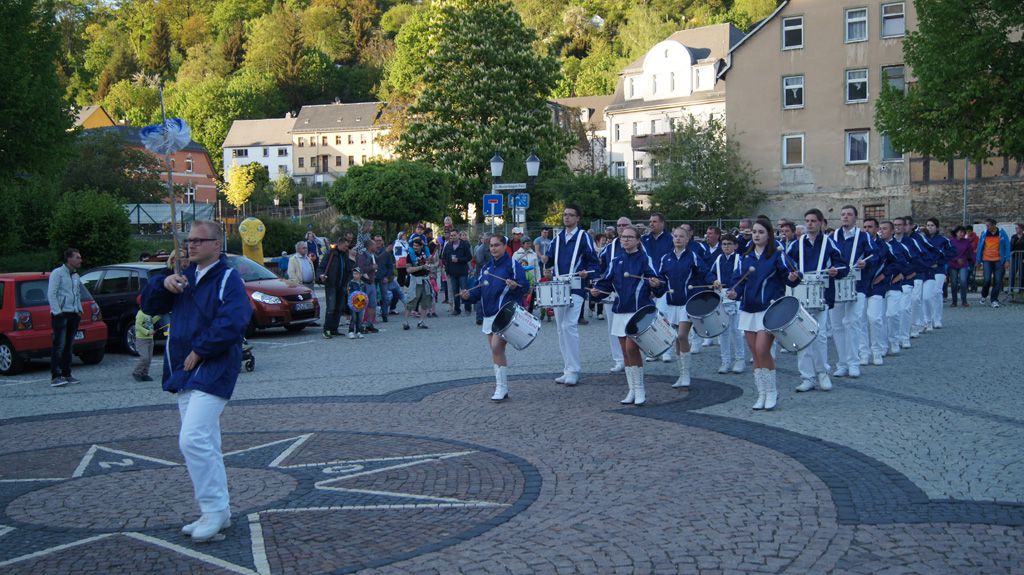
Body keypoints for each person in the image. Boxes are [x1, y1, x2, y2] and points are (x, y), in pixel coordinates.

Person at [141, 220, 252, 543]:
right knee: (206, 442)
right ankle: (219, 510)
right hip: (183, 369)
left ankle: (213, 509)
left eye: (199, 241)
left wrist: (201, 351)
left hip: (214, 368)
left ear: (217, 244)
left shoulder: (228, 278)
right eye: (188, 240)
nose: (191, 245)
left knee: (192, 439)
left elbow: (234, 321)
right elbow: (149, 307)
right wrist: (163, 283)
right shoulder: (184, 277)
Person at [723, 219, 799, 410]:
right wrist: (733, 292)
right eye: (755, 232)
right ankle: (761, 393)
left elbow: (791, 276)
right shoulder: (744, 257)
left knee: (763, 350)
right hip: (748, 309)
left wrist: (792, 278)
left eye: (761, 232)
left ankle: (772, 391)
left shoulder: (776, 255)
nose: (756, 235)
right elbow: (737, 282)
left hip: (769, 309)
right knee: (756, 354)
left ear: (769, 235)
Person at [591, 225, 664, 405]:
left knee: (632, 348)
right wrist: (596, 291)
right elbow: (606, 283)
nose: (626, 240)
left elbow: (657, 281)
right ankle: (631, 390)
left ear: (638, 240)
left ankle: (640, 389)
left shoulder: (645, 259)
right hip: (621, 310)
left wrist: (656, 284)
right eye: (623, 237)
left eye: (630, 237)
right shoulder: (616, 260)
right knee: (625, 353)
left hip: (638, 310)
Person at [461, 235, 528, 401]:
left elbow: (524, 286)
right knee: (495, 350)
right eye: (491, 245)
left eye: (497, 245)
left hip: (505, 313)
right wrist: (468, 295)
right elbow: (479, 290)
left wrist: (515, 285)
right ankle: (502, 387)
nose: (493, 248)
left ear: (505, 246)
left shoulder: (513, 264)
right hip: (488, 314)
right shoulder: (486, 268)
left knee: (497, 347)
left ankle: (501, 387)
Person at [788, 209, 847, 393]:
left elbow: (842, 265)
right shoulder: (797, 244)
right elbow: (787, 263)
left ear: (821, 223)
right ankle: (807, 377)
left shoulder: (830, 243)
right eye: (807, 221)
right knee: (803, 337)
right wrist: (792, 274)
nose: (810, 224)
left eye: (813, 221)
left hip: (822, 294)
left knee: (820, 336)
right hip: (802, 295)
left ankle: (822, 373)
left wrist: (836, 271)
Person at [543, 203, 599, 386]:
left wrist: (587, 273)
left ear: (577, 218)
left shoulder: (584, 237)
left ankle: (574, 370)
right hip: (559, 286)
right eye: (565, 214)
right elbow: (550, 259)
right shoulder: (557, 238)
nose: (566, 217)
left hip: (576, 286)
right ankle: (567, 369)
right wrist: (546, 263)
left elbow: (594, 263)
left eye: (570, 215)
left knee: (569, 325)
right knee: (560, 328)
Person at [657, 225, 709, 388]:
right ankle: (681, 374)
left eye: (681, 236)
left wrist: (712, 281)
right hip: (671, 303)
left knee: (681, 336)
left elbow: (705, 273)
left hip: (687, 303)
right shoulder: (665, 258)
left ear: (687, 239)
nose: (678, 238)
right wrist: (655, 284)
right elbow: (660, 278)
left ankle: (686, 374)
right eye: (675, 236)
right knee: (676, 339)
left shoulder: (693, 256)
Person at [829, 205, 873, 379]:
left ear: (856, 218)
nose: (845, 217)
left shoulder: (864, 236)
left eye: (849, 214)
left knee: (853, 322)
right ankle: (842, 363)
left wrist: (866, 262)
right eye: (843, 214)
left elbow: (874, 254)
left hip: (857, 283)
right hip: (837, 283)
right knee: (837, 326)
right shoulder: (832, 237)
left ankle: (854, 363)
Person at [705, 234, 745, 374]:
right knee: (723, 330)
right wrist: (714, 280)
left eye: (729, 244)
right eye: (724, 244)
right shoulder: (719, 259)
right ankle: (725, 361)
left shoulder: (739, 259)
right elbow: (709, 274)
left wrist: (735, 289)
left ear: (735, 246)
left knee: (735, 330)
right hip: (721, 296)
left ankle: (740, 359)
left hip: (735, 297)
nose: (726, 246)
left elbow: (742, 277)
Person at [46, 248, 84, 387]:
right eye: (77, 257)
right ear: (69, 259)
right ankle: (56, 375)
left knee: (69, 346)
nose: (80, 260)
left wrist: (79, 309)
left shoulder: (75, 276)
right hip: (61, 314)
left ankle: (67, 374)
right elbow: (52, 293)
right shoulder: (57, 273)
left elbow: (77, 294)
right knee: (59, 345)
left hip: (74, 313)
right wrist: (57, 312)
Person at [597, 217, 631, 372]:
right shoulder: (609, 248)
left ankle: (633, 358)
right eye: (619, 225)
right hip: (613, 293)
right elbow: (601, 268)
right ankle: (619, 359)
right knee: (613, 327)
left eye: (625, 225)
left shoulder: (639, 246)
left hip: (632, 294)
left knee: (631, 327)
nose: (622, 228)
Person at [640, 212, 675, 361]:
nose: (651, 224)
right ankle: (654, 349)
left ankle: (666, 349)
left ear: (662, 223)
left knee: (664, 317)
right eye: (650, 221)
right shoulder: (644, 239)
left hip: (664, 282)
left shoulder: (670, 239)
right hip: (647, 281)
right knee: (650, 317)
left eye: (654, 221)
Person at [879, 221, 912, 355]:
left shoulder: (900, 247)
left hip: (894, 285)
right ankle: (883, 344)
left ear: (892, 231)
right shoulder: (875, 246)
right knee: (879, 317)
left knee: (892, 314)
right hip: (879, 287)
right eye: (880, 229)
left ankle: (894, 340)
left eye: (885, 229)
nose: (882, 231)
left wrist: (903, 274)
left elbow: (910, 262)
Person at [922, 217, 955, 329]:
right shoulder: (922, 239)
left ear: (937, 227)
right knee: (926, 296)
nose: (929, 227)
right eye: (928, 225)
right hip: (926, 269)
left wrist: (940, 262)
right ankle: (927, 318)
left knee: (937, 293)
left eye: (932, 225)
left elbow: (952, 252)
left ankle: (937, 319)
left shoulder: (943, 239)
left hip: (938, 269)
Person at [319, 238, 354, 339]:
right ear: (340, 244)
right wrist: (321, 276)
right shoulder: (331, 254)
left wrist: (348, 281)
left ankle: (334, 329)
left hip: (341, 286)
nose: (347, 248)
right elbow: (321, 267)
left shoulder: (344, 255)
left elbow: (348, 270)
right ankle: (327, 330)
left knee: (339, 308)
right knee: (331, 308)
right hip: (331, 285)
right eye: (346, 246)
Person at [975, 218, 1011, 308]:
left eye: (988, 225)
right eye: (986, 225)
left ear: (993, 225)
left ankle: (994, 300)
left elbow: (1007, 246)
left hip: (999, 260)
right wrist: (978, 261)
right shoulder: (984, 233)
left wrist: (1007, 260)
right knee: (987, 279)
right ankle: (984, 295)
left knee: (998, 281)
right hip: (987, 260)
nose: (986, 227)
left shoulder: (1002, 233)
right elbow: (980, 247)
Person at [441, 229, 472, 316]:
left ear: (458, 235)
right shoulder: (448, 245)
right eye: (451, 236)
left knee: (464, 290)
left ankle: (467, 308)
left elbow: (469, 257)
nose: (453, 237)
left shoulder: (464, 244)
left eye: (454, 235)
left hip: (462, 271)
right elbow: (443, 257)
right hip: (452, 272)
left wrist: (459, 259)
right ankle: (457, 309)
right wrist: (446, 268)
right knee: (455, 291)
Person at [404, 237, 433, 330]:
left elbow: (430, 261)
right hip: (415, 280)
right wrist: (421, 267)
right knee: (412, 300)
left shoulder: (425, 253)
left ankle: (421, 321)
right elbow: (408, 270)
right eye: (414, 245)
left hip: (425, 279)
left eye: (417, 246)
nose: (415, 247)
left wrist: (429, 266)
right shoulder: (410, 255)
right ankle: (405, 322)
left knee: (425, 301)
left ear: (421, 246)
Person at [356, 239, 380, 332]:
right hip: (364, 283)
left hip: (372, 282)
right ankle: (359, 325)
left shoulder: (373, 255)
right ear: (369, 246)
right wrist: (371, 267)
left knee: (372, 305)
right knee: (361, 305)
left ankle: (370, 324)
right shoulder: (362, 256)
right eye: (374, 245)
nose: (376, 246)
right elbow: (360, 269)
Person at [132, 300, 158, 382]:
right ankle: (137, 372)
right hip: (142, 339)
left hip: (150, 339)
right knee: (144, 357)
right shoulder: (140, 314)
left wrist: (159, 316)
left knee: (149, 358)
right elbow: (137, 326)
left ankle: (145, 374)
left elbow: (151, 322)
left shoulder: (148, 313)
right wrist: (148, 332)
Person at [948, 226, 974, 308]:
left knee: (963, 281)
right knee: (954, 283)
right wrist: (956, 259)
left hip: (963, 264)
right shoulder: (951, 241)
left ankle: (964, 301)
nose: (962, 234)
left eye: (963, 232)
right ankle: (954, 301)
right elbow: (948, 253)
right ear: (956, 233)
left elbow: (970, 253)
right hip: (953, 264)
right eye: (960, 232)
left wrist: (975, 261)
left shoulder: (967, 242)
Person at [473, 234, 492, 325]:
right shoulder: (480, 249)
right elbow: (480, 262)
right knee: (481, 295)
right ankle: (479, 317)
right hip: (482, 275)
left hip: (490, 274)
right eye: (485, 238)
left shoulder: (491, 248)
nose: (484, 240)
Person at [1010, 223, 1024, 297]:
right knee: (1012, 273)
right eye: (1016, 228)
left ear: (1021, 229)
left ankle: (1021, 289)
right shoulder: (1014, 237)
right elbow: (1011, 246)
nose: (1016, 229)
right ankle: (1011, 288)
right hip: (1014, 257)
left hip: (1022, 258)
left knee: (1021, 274)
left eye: (1017, 228)